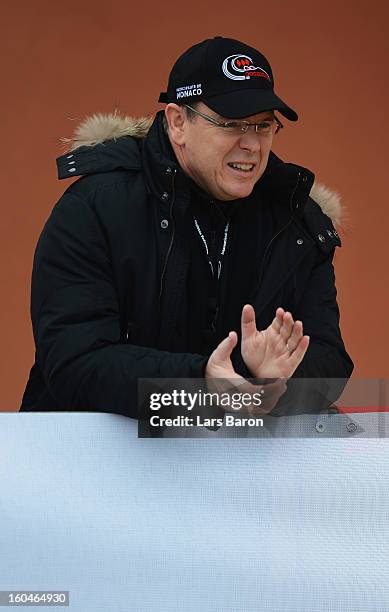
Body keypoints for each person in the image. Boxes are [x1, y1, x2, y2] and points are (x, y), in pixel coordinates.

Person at [20, 36, 353, 420]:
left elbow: (330, 360)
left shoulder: (297, 224)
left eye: (263, 126)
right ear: (178, 122)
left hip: (237, 465)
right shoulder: (95, 207)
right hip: (98, 466)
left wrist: (271, 385)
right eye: (231, 124)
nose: (252, 145)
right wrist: (200, 386)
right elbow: (74, 362)